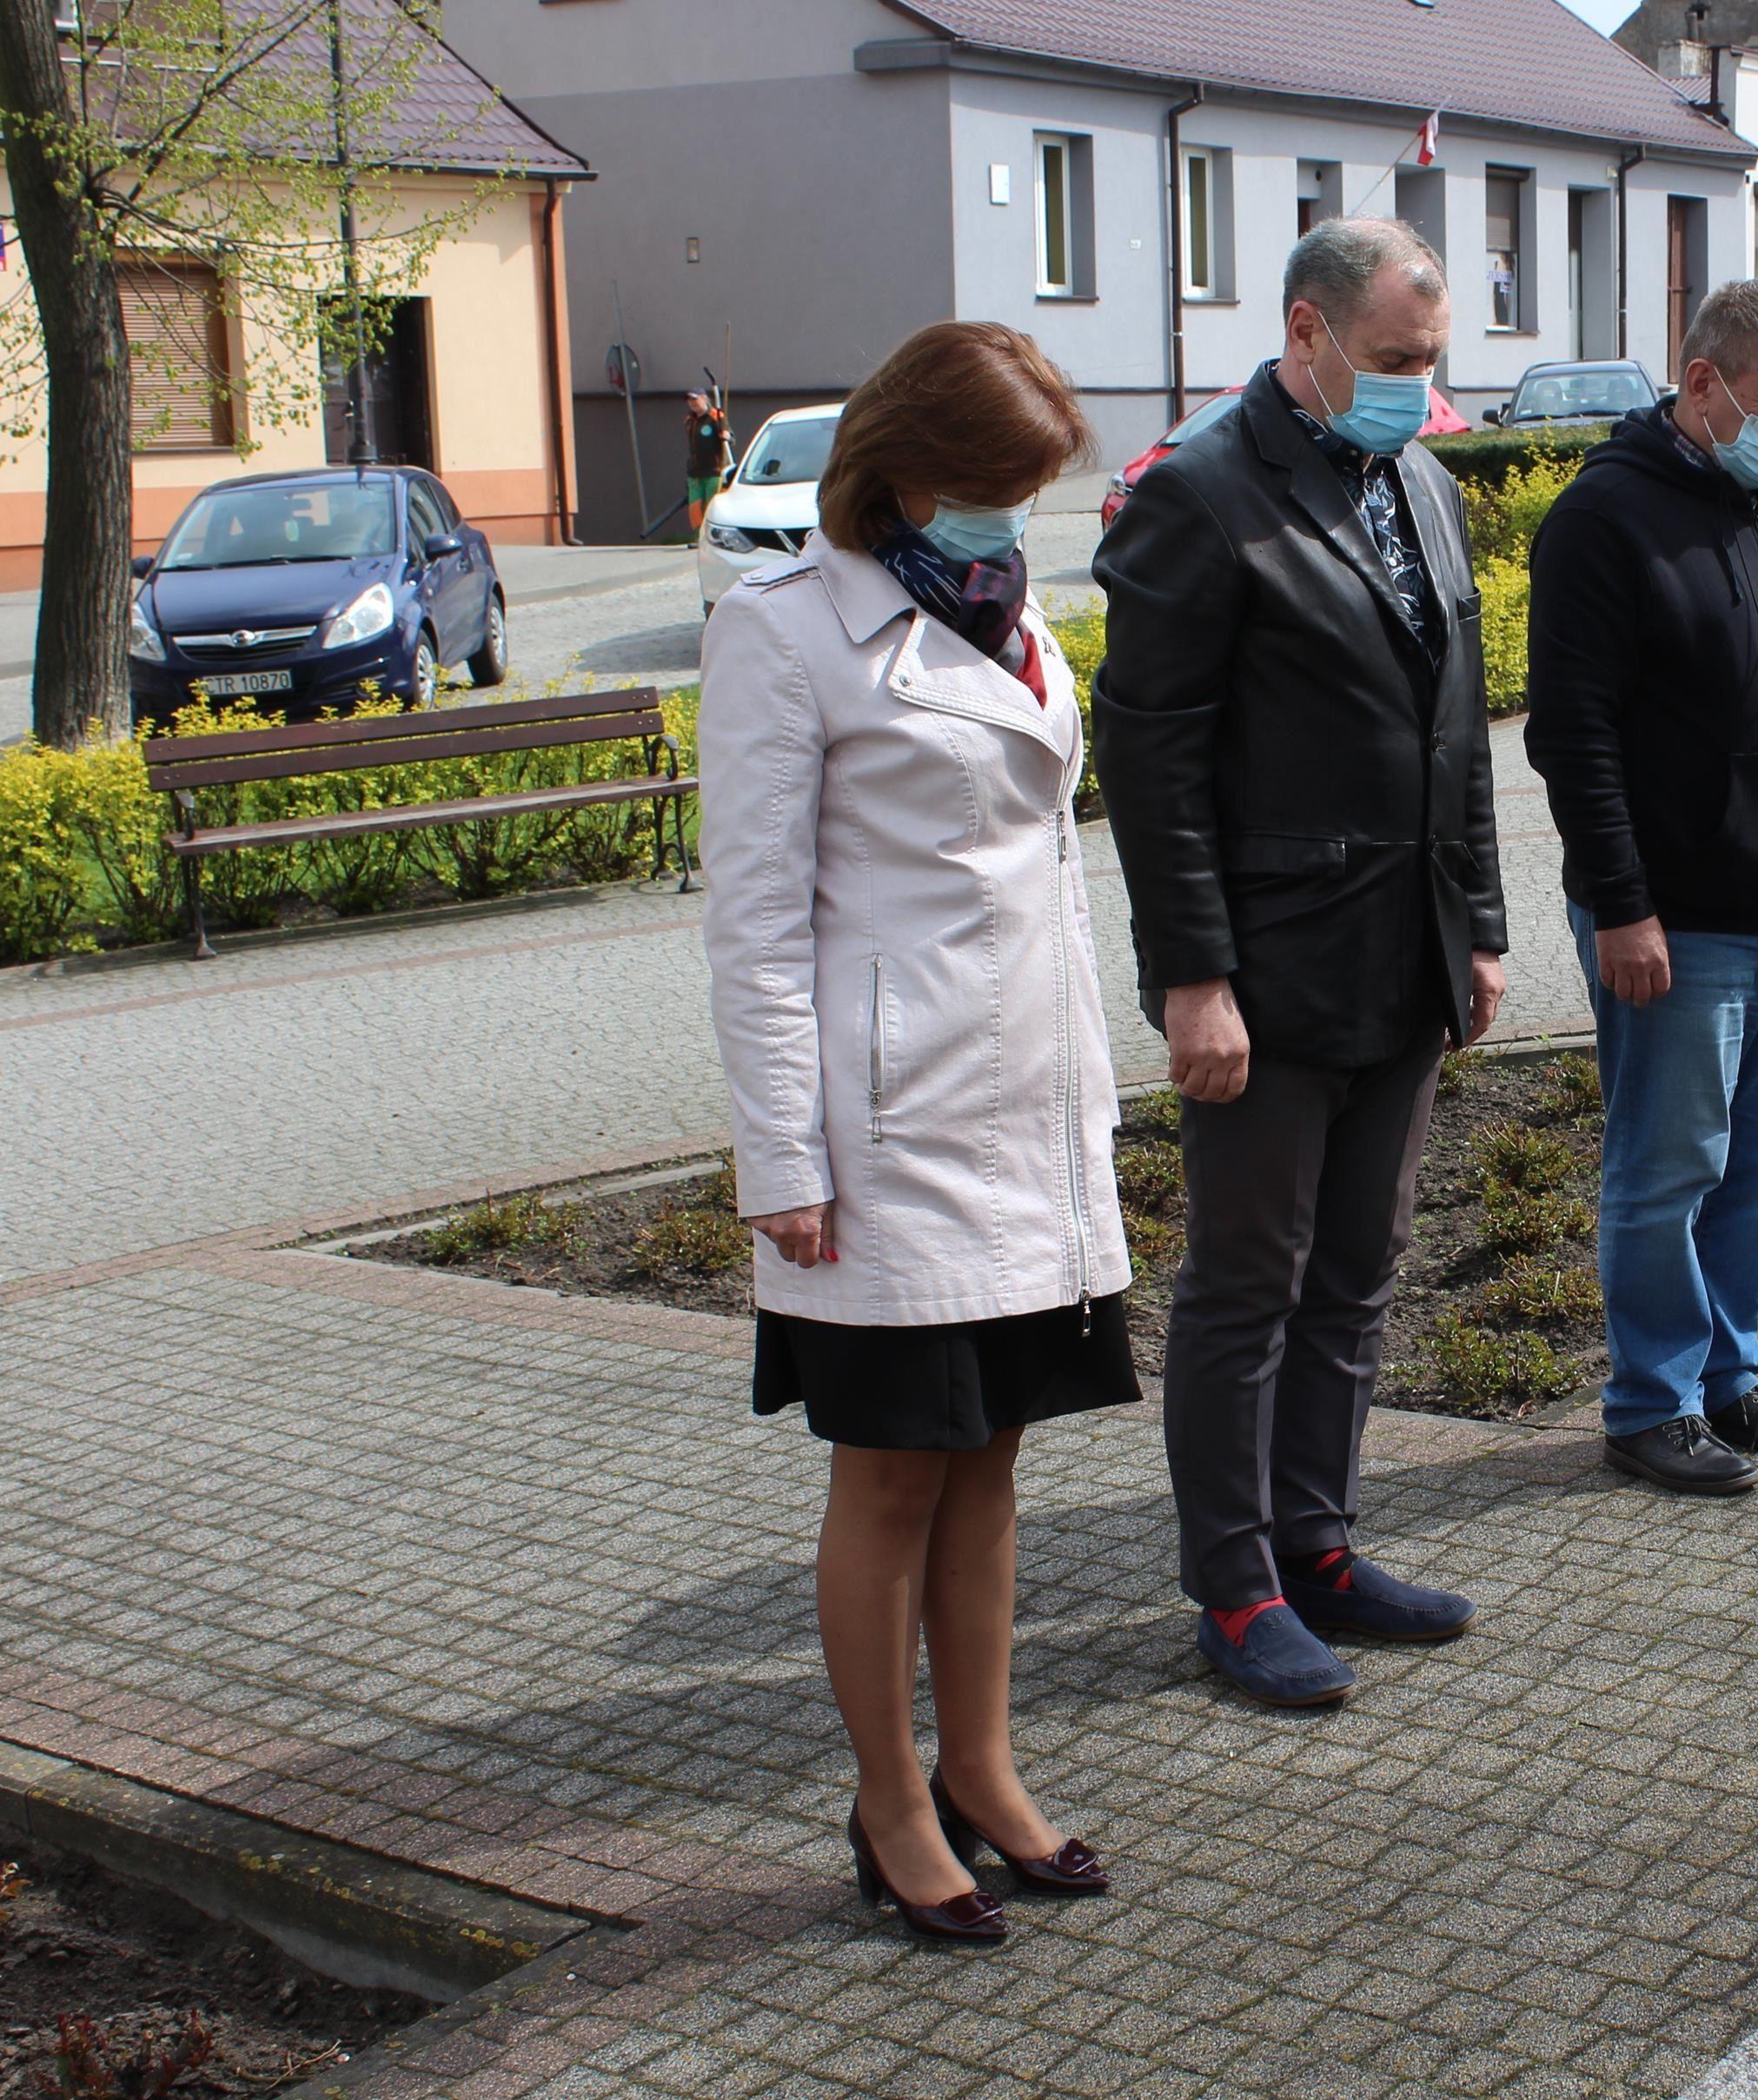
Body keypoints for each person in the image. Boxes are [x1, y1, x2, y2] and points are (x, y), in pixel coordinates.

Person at [697, 321, 1133, 1945]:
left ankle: (984, 1768)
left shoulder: (1016, 624)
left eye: (1025, 494)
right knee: (890, 1479)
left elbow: (1047, 878)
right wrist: (782, 1159)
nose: (1007, 522)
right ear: (899, 469)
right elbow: (751, 923)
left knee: (992, 1465)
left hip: (1027, 1111)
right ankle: (889, 1804)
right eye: (982, 488)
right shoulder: (785, 632)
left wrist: (1096, 1104)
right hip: (880, 1134)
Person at [1091, 218, 1508, 1709]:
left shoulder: (1419, 483)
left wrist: (1481, 923)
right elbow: (1153, 765)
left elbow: (1456, 727)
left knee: (1357, 1266)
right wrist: (1190, 977)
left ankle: (1320, 1547)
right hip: (1265, 973)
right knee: (1245, 1284)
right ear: (1306, 332)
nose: (1419, 389)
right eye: (1397, 362)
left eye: (1433, 364)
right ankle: (1236, 1586)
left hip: (1401, 958)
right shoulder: (1199, 500)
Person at [1524, 279, 1758, 1498]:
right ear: (1702, 385)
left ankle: (1728, 1379)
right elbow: (1572, 738)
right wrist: (1622, 906)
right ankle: (1649, 1405)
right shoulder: (1605, 523)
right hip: (1677, 923)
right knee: (1667, 1166)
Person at [685, 388, 730, 540]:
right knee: (695, 508)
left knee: (712, 507)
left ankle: (713, 537)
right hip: (695, 473)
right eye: (690, 400)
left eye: (695, 399)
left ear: (704, 399)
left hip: (713, 471)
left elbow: (731, 437)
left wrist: (727, 436)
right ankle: (700, 537)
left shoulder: (716, 417)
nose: (692, 403)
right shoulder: (690, 420)